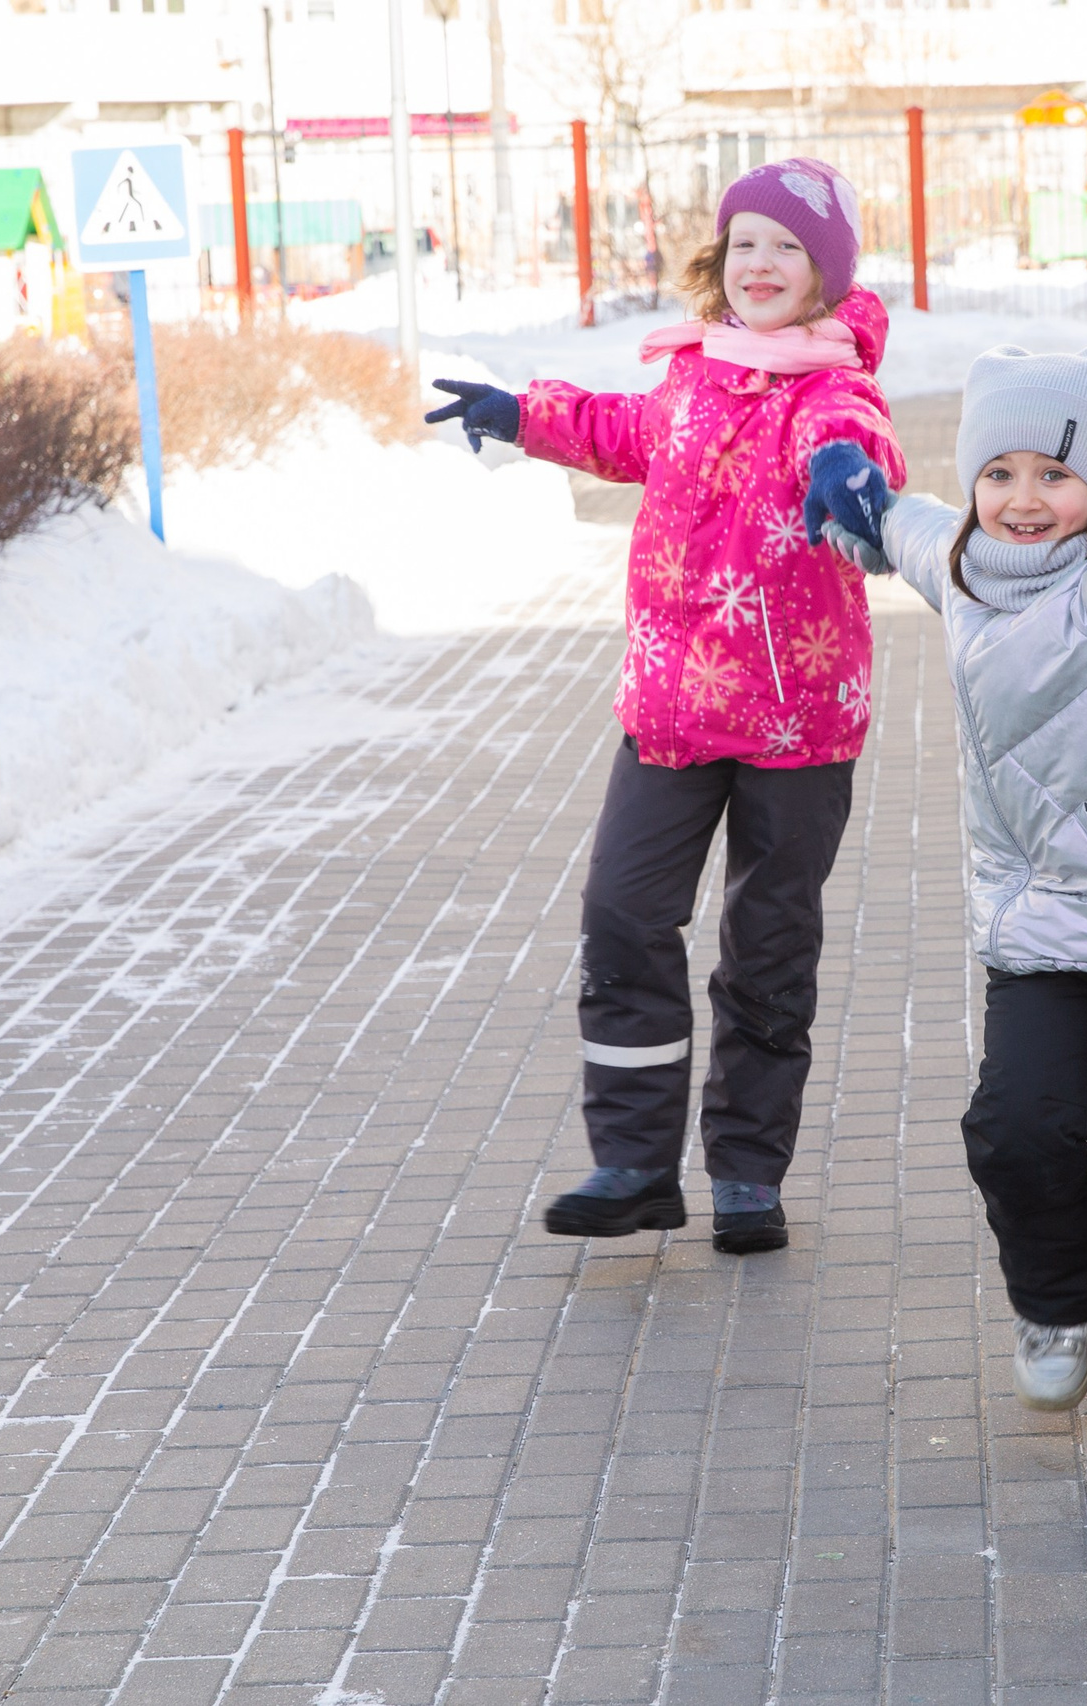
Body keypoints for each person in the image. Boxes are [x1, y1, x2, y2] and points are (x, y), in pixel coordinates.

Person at [424, 158, 904, 1255]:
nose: (761, 265)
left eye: (787, 247)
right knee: (623, 914)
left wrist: (846, 478)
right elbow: (624, 431)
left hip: (795, 719)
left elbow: (851, 438)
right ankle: (635, 1160)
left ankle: (745, 1171)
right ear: (719, 260)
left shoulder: (829, 383)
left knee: (766, 947)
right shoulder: (694, 372)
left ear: (825, 274)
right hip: (672, 709)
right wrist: (521, 409)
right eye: (744, 244)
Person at [808, 345, 1087, 1434]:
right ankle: (1055, 1307)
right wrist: (857, 493)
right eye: (998, 472)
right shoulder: (966, 564)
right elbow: (911, 529)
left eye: (1053, 476)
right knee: (1015, 1128)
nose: (1022, 500)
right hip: (1036, 920)